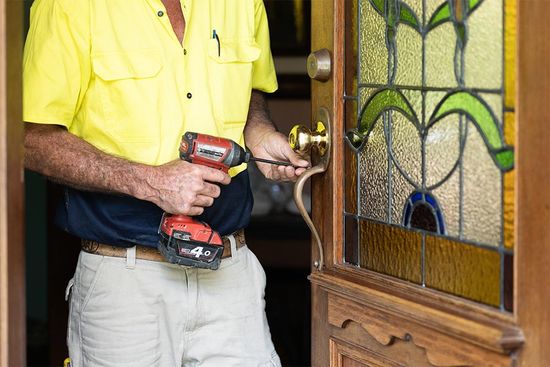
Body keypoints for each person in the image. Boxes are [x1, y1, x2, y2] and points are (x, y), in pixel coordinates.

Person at [23, 0, 309, 366]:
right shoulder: (71, 5)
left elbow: (253, 89)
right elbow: (32, 139)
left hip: (230, 275)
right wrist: (150, 182)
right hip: (126, 286)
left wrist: (260, 133)